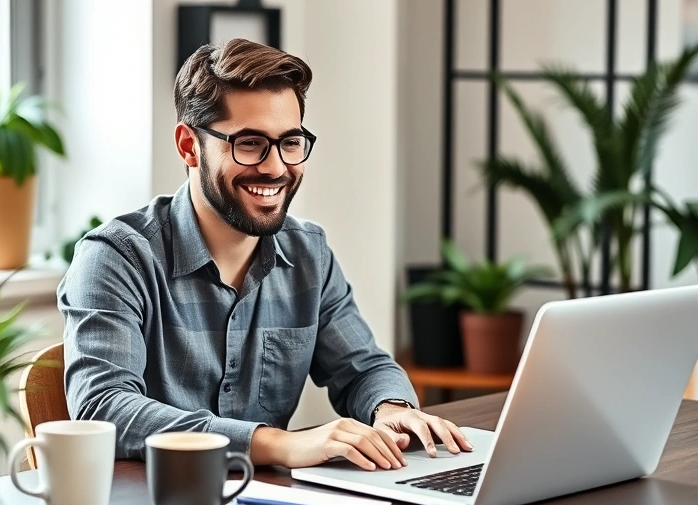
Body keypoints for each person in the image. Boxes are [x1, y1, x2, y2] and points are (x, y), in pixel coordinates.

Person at [57, 38, 472, 471]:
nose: (275, 167)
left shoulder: (308, 253)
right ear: (188, 146)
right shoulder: (115, 258)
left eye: (290, 142)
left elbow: (363, 367)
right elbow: (104, 408)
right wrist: (278, 444)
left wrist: (391, 408)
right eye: (250, 143)